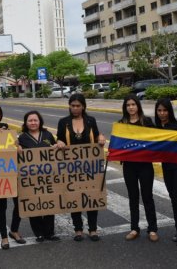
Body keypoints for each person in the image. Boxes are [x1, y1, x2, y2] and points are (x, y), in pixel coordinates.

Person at [56, 93, 106, 241]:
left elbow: (97, 136)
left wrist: (101, 138)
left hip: (90, 166)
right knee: (74, 197)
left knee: (91, 196)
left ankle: (93, 229)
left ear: (83, 106)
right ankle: (78, 229)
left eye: (78, 106)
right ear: (69, 106)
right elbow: (59, 137)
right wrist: (60, 142)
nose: (75, 108)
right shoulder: (63, 122)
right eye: (72, 106)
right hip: (71, 167)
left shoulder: (90, 120)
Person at [118, 94, 159, 242]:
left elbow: (157, 138)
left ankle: (152, 229)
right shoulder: (121, 123)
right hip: (129, 166)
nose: (131, 107)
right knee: (133, 197)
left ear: (138, 106)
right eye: (128, 105)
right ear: (125, 107)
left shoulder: (146, 121)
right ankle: (134, 228)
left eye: (133, 104)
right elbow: (117, 145)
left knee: (148, 196)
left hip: (145, 166)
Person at [0, 103, 24, 249]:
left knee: (19, 202)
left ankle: (14, 230)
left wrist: (17, 144)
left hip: (12, 172)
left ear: (1, 115)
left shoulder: (7, 129)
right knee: (2, 207)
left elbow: (15, 145)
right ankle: (4, 237)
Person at [154, 98, 177, 246]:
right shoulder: (155, 127)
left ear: (169, 111)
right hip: (166, 166)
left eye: (165, 110)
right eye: (159, 110)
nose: (162, 113)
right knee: (173, 197)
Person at [18, 110, 60, 242]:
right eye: (30, 120)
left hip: (48, 176)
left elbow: (55, 149)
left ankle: (49, 232)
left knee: (49, 202)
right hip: (30, 178)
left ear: (40, 121)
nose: (33, 123)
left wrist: (57, 146)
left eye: (35, 120)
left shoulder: (47, 134)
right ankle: (39, 233)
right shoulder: (22, 138)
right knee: (34, 203)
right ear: (25, 123)